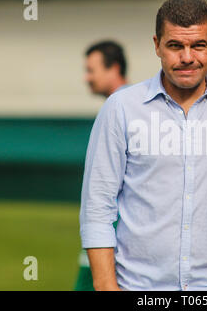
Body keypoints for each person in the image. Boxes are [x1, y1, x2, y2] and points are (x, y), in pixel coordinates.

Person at [80, 0, 207, 291]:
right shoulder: (120, 109)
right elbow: (97, 205)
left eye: (198, 45)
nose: (187, 57)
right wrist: (106, 286)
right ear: (157, 45)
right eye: (175, 45)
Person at [74, 40, 128, 291]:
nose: (87, 77)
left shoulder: (125, 110)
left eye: (91, 70)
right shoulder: (120, 107)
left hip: (116, 239)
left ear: (113, 68)